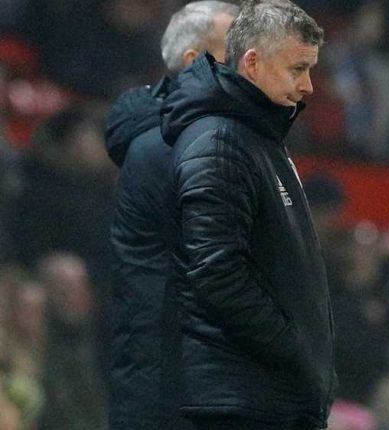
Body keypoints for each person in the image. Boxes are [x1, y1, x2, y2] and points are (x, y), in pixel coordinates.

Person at [160, 1, 334, 429]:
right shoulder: (219, 142)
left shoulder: (257, 137)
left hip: (266, 397)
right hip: (240, 402)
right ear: (252, 63)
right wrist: (294, 348)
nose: (309, 86)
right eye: (298, 69)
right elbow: (217, 272)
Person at [104, 2, 238, 429]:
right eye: (235, 49)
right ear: (193, 61)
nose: (250, 62)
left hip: (176, 366)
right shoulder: (173, 146)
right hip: (169, 374)